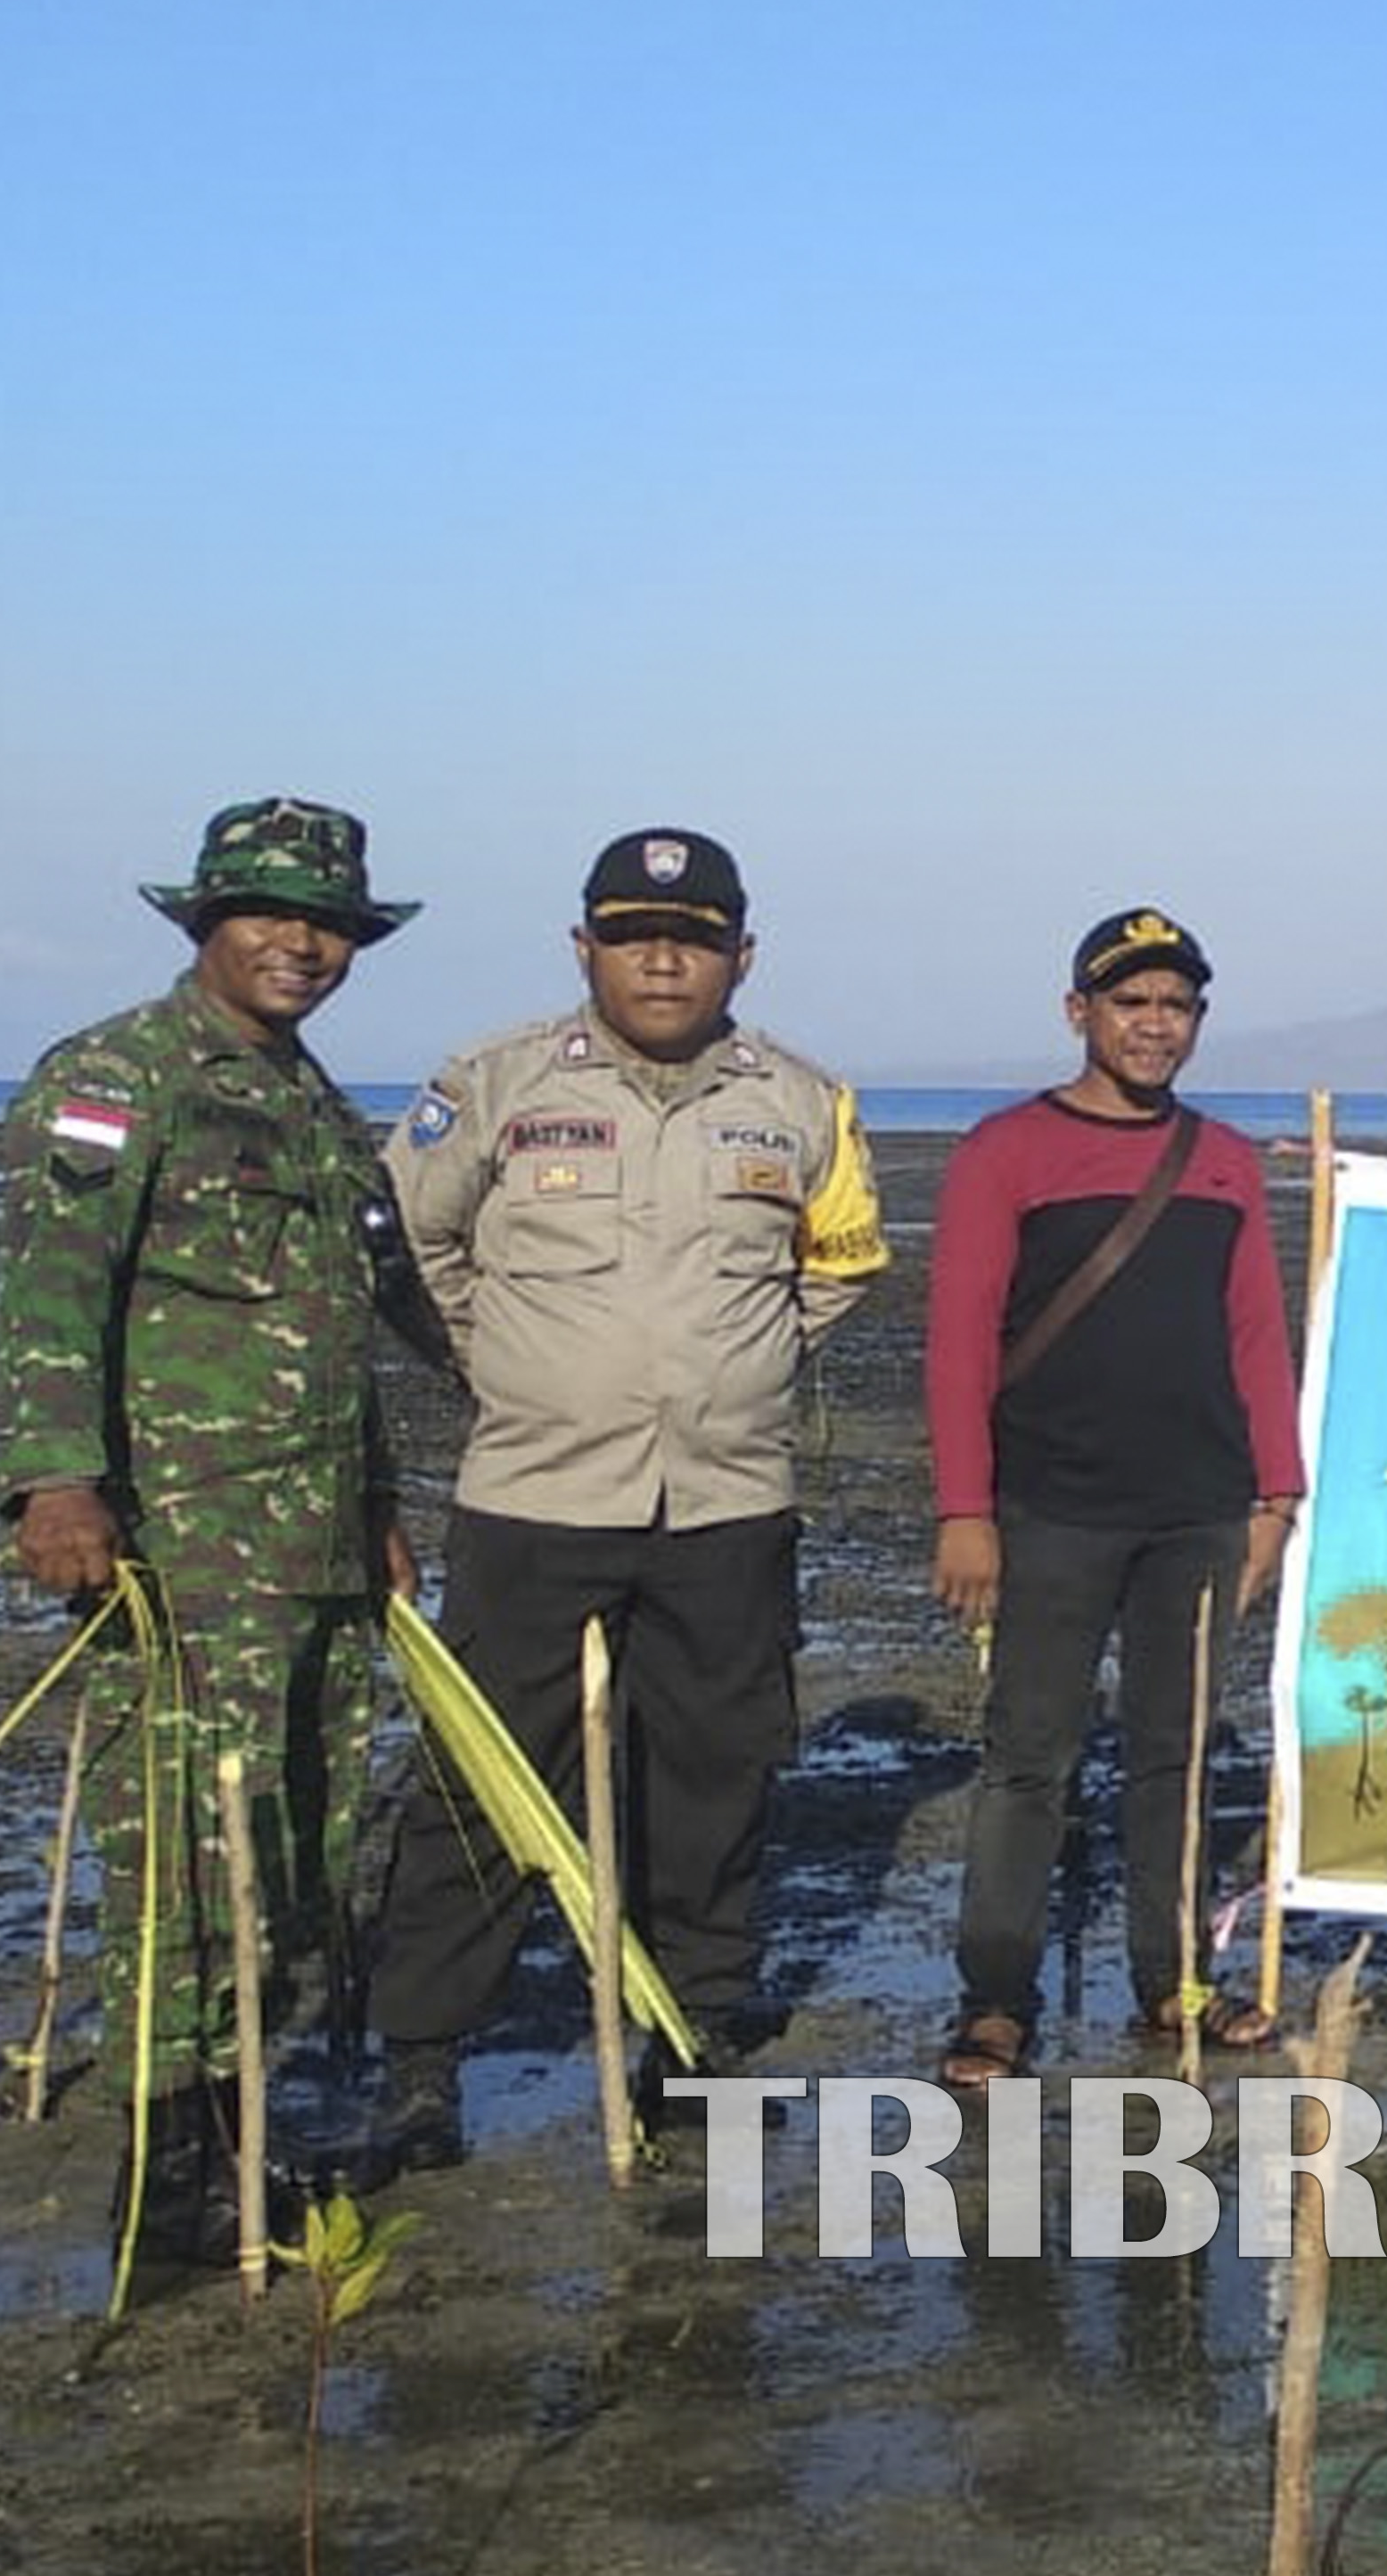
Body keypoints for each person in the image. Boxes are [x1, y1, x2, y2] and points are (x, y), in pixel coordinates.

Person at [365, 828, 886, 2170]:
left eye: (698, 935)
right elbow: (407, 1246)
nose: (666, 957)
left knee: (714, 1777)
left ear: (741, 956)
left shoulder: (806, 1100)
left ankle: (693, 2039)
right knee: (481, 1780)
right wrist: (511, 1367)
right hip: (534, 1493)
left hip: (726, 1503)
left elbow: (835, 1269)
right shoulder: (492, 1084)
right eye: (636, 931)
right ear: (583, 945)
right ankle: (423, 2061)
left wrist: (734, 1368)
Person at [0, 800, 429, 2262]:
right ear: (204, 922)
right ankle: (164, 2163)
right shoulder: (118, 1077)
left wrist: (376, 1509)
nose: (305, 946)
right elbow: (54, 1286)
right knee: (181, 1849)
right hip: (178, 1551)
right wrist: (57, 1481)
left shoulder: (309, 1100)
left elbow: (335, 1335)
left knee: (290, 1850)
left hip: (310, 1551)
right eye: (274, 915)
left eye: (332, 926)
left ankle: (238, 2134)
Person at [923, 907, 1305, 2086]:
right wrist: (965, 1510)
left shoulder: (1226, 1159)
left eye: (1176, 1005)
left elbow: (1255, 1332)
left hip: (1194, 1510)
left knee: (1173, 1757)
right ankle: (995, 1999)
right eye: (1130, 1002)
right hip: (1050, 1512)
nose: (1154, 1024)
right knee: (1028, 1759)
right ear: (1078, 1011)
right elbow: (957, 1341)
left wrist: (1276, 1496)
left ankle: (1172, 1979)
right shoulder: (1006, 1151)